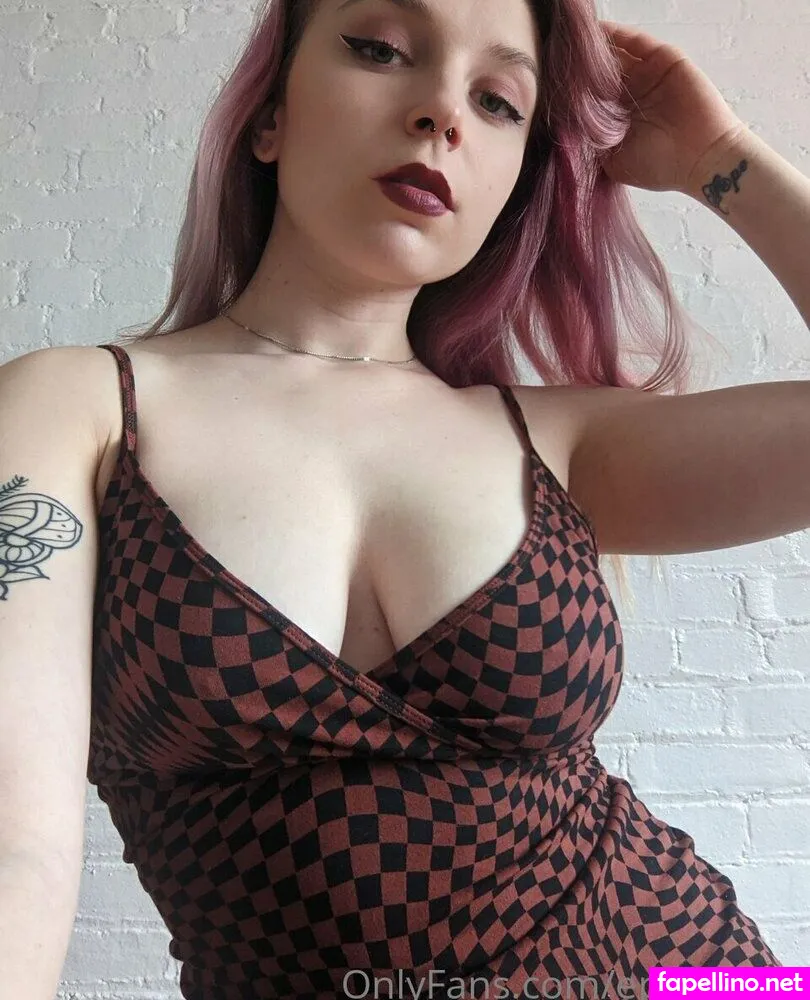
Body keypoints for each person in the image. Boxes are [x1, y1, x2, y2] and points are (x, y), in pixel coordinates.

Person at [3, 0, 798, 996]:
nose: (442, 114)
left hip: (698, 975)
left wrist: (721, 160)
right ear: (269, 117)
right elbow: (17, 852)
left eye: (499, 101)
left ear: (515, 182)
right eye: (380, 49)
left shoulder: (555, 441)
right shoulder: (77, 411)